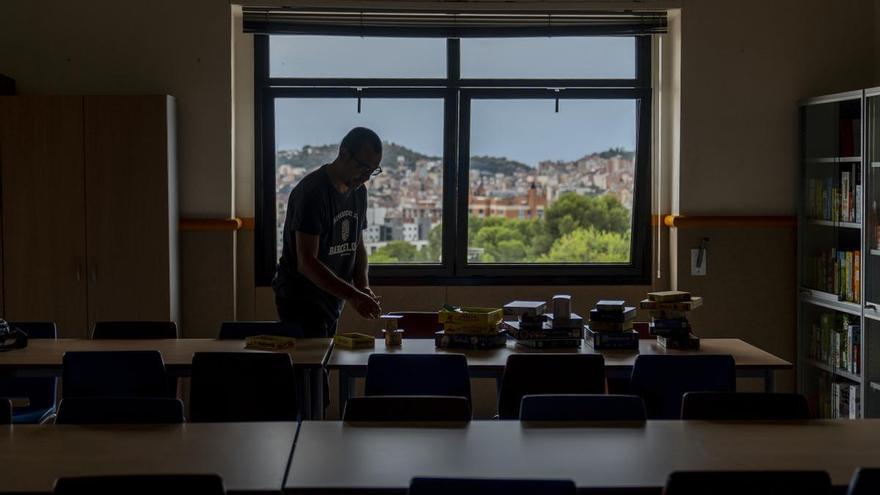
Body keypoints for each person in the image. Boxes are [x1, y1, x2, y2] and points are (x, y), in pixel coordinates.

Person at [273, 127, 383, 337]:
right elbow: (306, 263)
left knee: (321, 363)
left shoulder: (358, 192)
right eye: (363, 168)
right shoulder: (313, 192)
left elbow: (356, 243)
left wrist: (363, 287)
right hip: (301, 298)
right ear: (343, 154)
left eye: (373, 171)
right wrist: (353, 296)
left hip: (331, 297)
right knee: (308, 365)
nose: (366, 177)